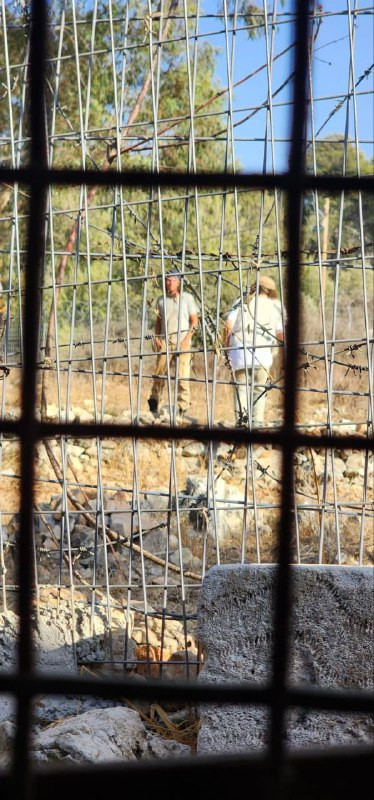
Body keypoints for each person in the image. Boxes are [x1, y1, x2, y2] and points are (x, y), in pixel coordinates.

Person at [224, 274, 284, 427]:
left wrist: (226, 344)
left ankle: (241, 424)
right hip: (263, 356)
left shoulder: (241, 301)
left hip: (239, 353)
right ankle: (256, 425)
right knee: (259, 390)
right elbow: (280, 333)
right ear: (270, 291)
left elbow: (228, 325)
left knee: (241, 390)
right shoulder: (276, 306)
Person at [148, 268, 199, 418]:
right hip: (165, 341)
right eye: (167, 280)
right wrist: (157, 337)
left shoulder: (187, 298)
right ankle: (153, 406)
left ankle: (182, 409)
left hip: (182, 342)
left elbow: (194, 321)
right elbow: (158, 321)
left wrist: (187, 339)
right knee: (159, 375)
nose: (169, 283)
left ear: (179, 282)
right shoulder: (161, 299)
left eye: (172, 280)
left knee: (183, 377)